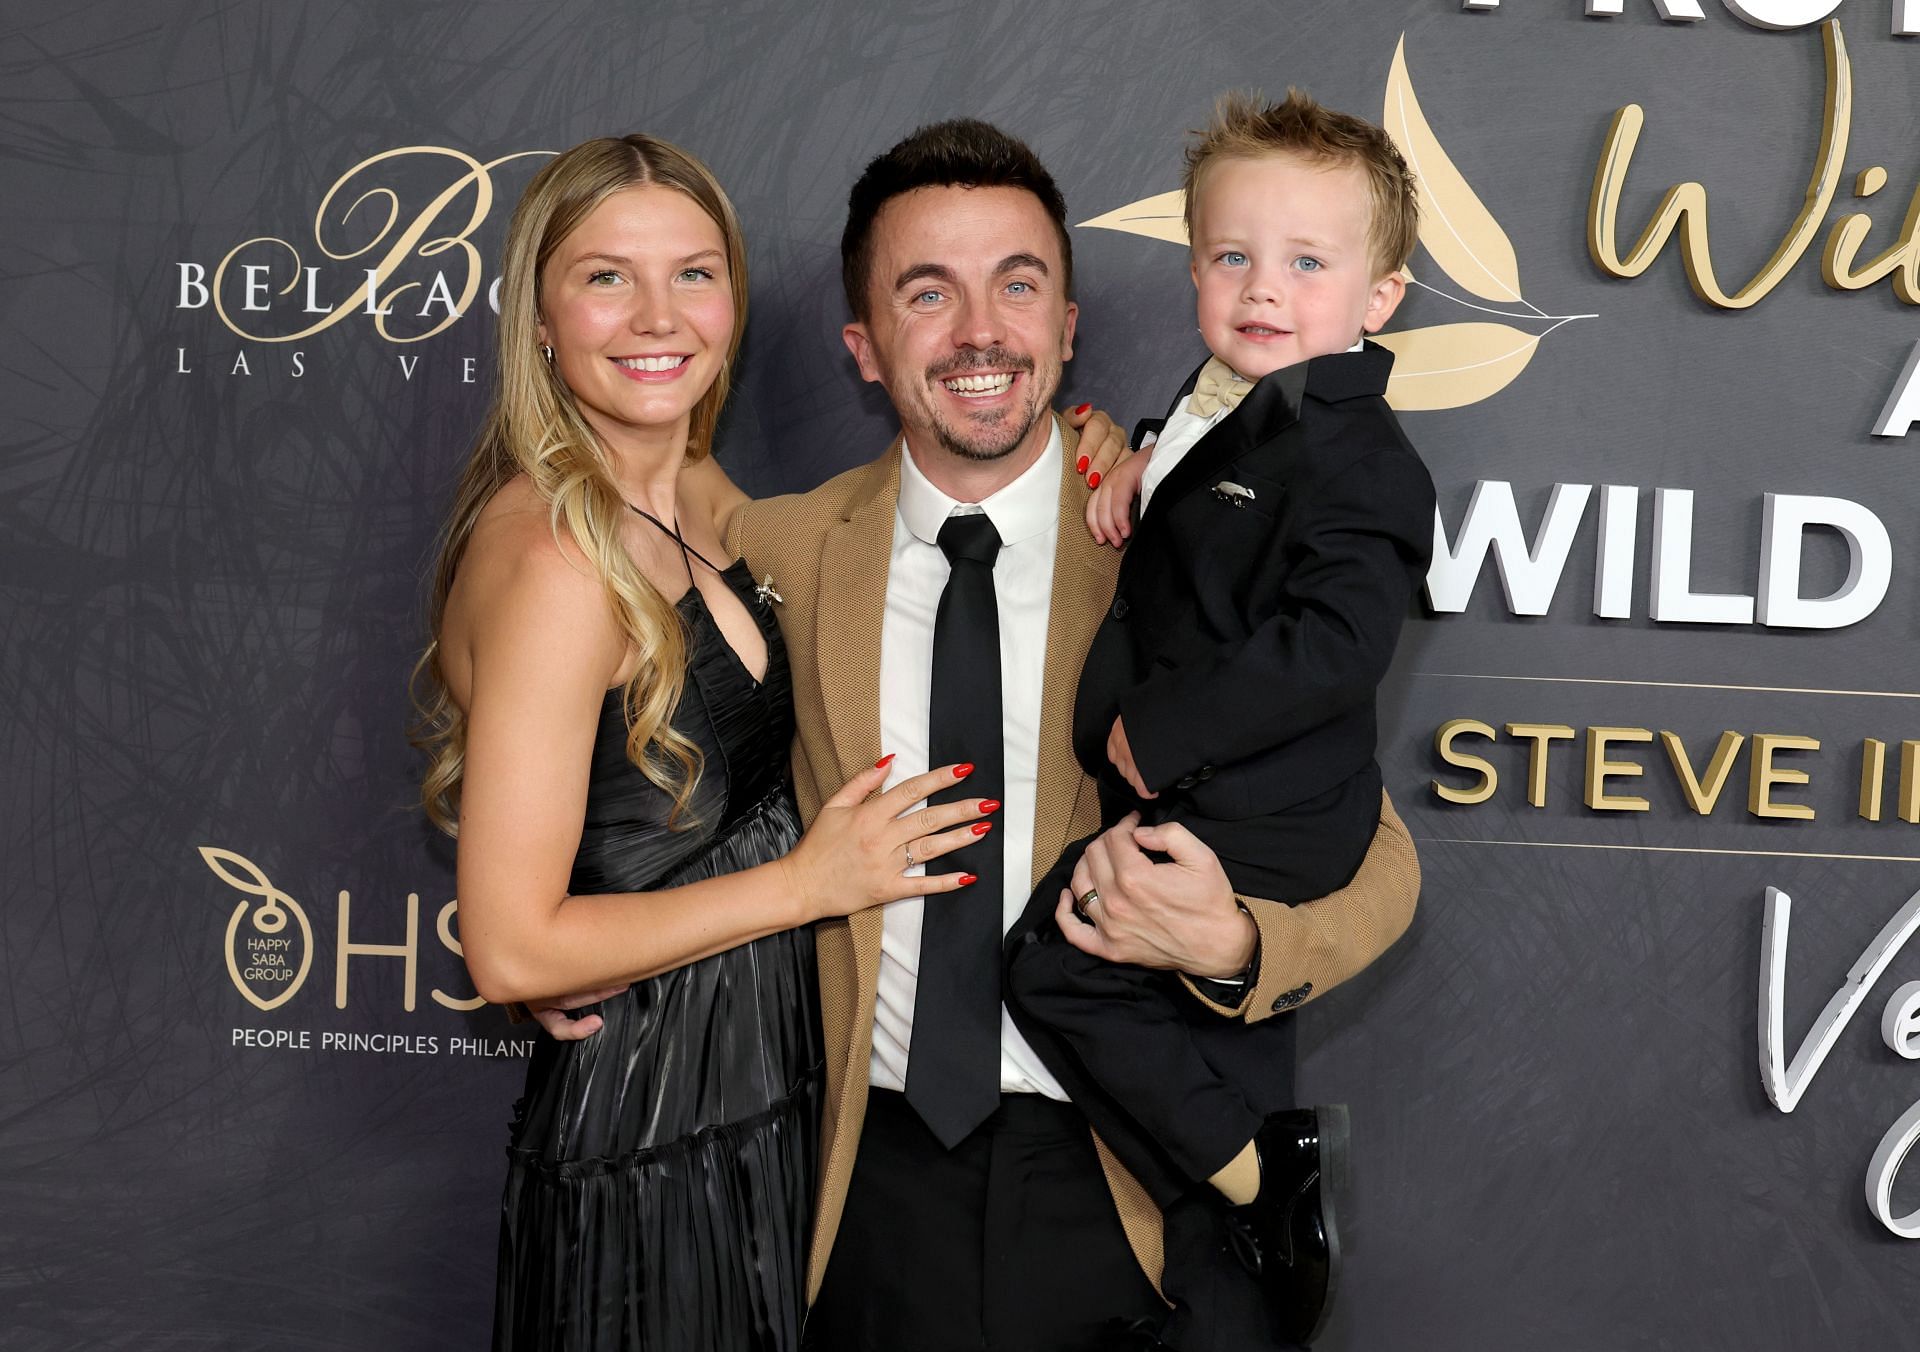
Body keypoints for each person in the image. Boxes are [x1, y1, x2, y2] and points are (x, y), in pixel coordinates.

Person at [654, 118, 1422, 1352]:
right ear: (863, 345)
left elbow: (1378, 849)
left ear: (1068, 326)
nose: (979, 331)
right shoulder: (788, 551)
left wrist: (1234, 940)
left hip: (1134, 1175)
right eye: (927, 291)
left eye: (1018, 284)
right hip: (864, 1182)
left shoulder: (1173, 534)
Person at [411, 134, 1005, 1352]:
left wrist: (1093, 453)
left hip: (752, 1099)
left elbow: (853, 519)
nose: (657, 316)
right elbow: (514, 943)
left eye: (693, 273)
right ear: (537, 315)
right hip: (648, 1144)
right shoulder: (555, 565)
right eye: (605, 277)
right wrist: (806, 885)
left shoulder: (685, 484)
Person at [1003, 89, 1436, 1348]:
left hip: (1260, 814)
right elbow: (1210, 467)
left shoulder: (1365, 458)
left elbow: (1337, 643)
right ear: (1194, 264)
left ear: (1380, 297)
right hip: (1213, 793)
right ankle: (1248, 1191)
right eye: (1233, 255)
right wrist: (1138, 451)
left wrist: (1162, 738)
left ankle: (1267, 1180)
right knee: (1066, 974)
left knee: (1055, 966)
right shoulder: (1221, 403)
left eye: (1308, 262)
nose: (1263, 287)